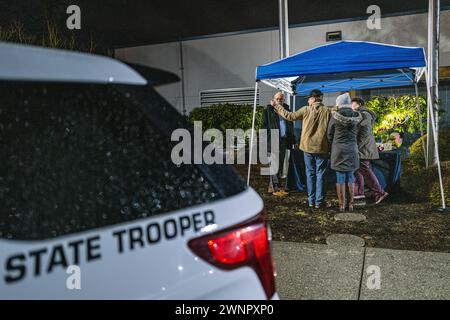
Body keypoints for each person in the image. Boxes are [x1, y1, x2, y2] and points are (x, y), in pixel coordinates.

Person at [272, 89, 335, 208]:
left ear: (313, 99)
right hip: (322, 148)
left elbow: (289, 116)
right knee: (321, 174)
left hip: (307, 147)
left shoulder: (306, 109)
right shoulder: (327, 110)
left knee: (310, 173)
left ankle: (311, 201)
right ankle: (319, 202)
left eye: (309, 98)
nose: (308, 100)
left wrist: (277, 106)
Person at [327, 93, 362, 212]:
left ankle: (341, 205)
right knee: (351, 177)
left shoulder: (335, 116)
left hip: (338, 150)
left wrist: (334, 143)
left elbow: (329, 134)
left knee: (340, 177)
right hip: (352, 148)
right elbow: (358, 133)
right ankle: (351, 204)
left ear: (339, 104)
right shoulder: (356, 115)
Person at [351, 97, 389, 204]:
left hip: (363, 149)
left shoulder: (364, 114)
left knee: (365, 170)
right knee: (359, 170)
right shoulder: (362, 114)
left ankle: (380, 192)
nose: (351, 106)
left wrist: (356, 147)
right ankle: (358, 193)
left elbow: (364, 133)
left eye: (352, 103)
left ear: (358, 104)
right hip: (363, 148)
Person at [262, 92, 295, 196]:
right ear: (273, 99)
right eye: (277, 99)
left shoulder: (286, 110)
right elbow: (263, 126)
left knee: (279, 165)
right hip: (273, 140)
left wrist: (293, 140)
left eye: (281, 99)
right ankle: (277, 188)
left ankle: (271, 186)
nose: (279, 101)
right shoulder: (268, 110)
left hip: (284, 140)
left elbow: (290, 125)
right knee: (275, 165)